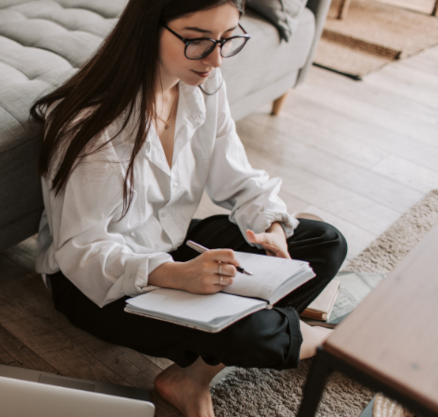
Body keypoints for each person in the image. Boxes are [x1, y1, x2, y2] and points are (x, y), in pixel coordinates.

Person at [28, 0, 348, 415]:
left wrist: (269, 225)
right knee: (249, 334)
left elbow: (236, 176)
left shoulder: (203, 84)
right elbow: (82, 250)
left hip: (175, 243)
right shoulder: (95, 127)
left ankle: (193, 374)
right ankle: (318, 338)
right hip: (100, 284)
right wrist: (177, 276)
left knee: (324, 242)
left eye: (226, 40)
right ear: (148, 29)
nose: (215, 59)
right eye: (197, 41)